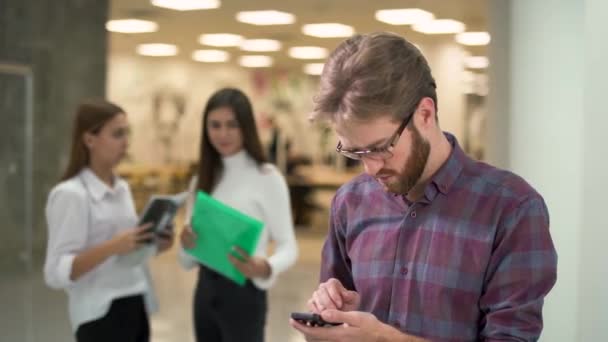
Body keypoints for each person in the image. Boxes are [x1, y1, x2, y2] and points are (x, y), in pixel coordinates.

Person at [290, 32, 557, 341]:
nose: (370, 168)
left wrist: (385, 338)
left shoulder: (512, 209)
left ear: (425, 114)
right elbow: (338, 325)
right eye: (354, 152)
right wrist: (330, 315)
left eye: (381, 147)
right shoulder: (350, 202)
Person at [44, 99, 174, 341]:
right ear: (89, 139)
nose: (126, 142)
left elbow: (127, 252)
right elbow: (55, 272)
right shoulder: (70, 195)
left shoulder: (121, 188)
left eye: (127, 133)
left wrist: (155, 244)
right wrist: (112, 247)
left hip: (136, 303)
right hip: (100, 314)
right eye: (117, 134)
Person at [179, 87, 298, 342]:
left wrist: (265, 267)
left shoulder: (267, 178)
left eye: (232, 125)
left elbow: (289, 246)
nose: (223, 134)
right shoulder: (201, 180)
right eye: (215, 125)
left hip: (245, 294)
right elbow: (186, 261)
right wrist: (186, 244)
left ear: (246, 127)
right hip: (205, 292)